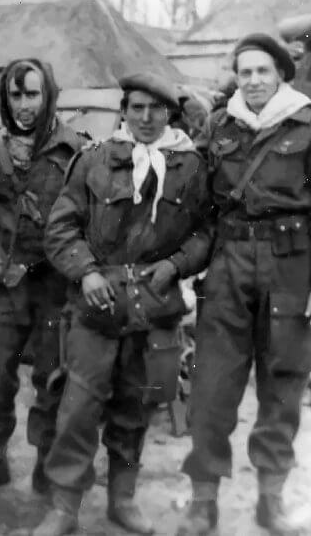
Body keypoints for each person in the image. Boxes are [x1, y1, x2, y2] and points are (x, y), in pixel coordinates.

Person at [176, 33, 311, 536]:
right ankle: (203, 501)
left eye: (262, 72)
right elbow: (195, 196)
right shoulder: (221, 124)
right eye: (245, 72)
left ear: (280, 76)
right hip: (230, 265)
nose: (252, 81)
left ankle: (270, 502)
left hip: (291, 267)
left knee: (283, 386)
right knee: (211, 387)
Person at [33, 73, 211, 536]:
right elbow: (60, 228)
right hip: (98, 305)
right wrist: (86, 271)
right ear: (123, 110)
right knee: (77, 408)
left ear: (170, 113)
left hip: (154, 306)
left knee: (136, 408)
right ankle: (65, 507)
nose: (146, 118)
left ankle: (122, 498)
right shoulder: (94, 160)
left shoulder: (190, 166)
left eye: (156, 109)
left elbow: (205, 233)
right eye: (136, 108)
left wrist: (177, 263)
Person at [0, 58, 86, 499]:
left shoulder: (78, 150)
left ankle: (47, 465)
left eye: (33, 94)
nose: (24, 105)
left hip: (55, 284)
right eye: (15, 95)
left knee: (53, 379)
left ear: (49, 95)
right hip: (4, 279)